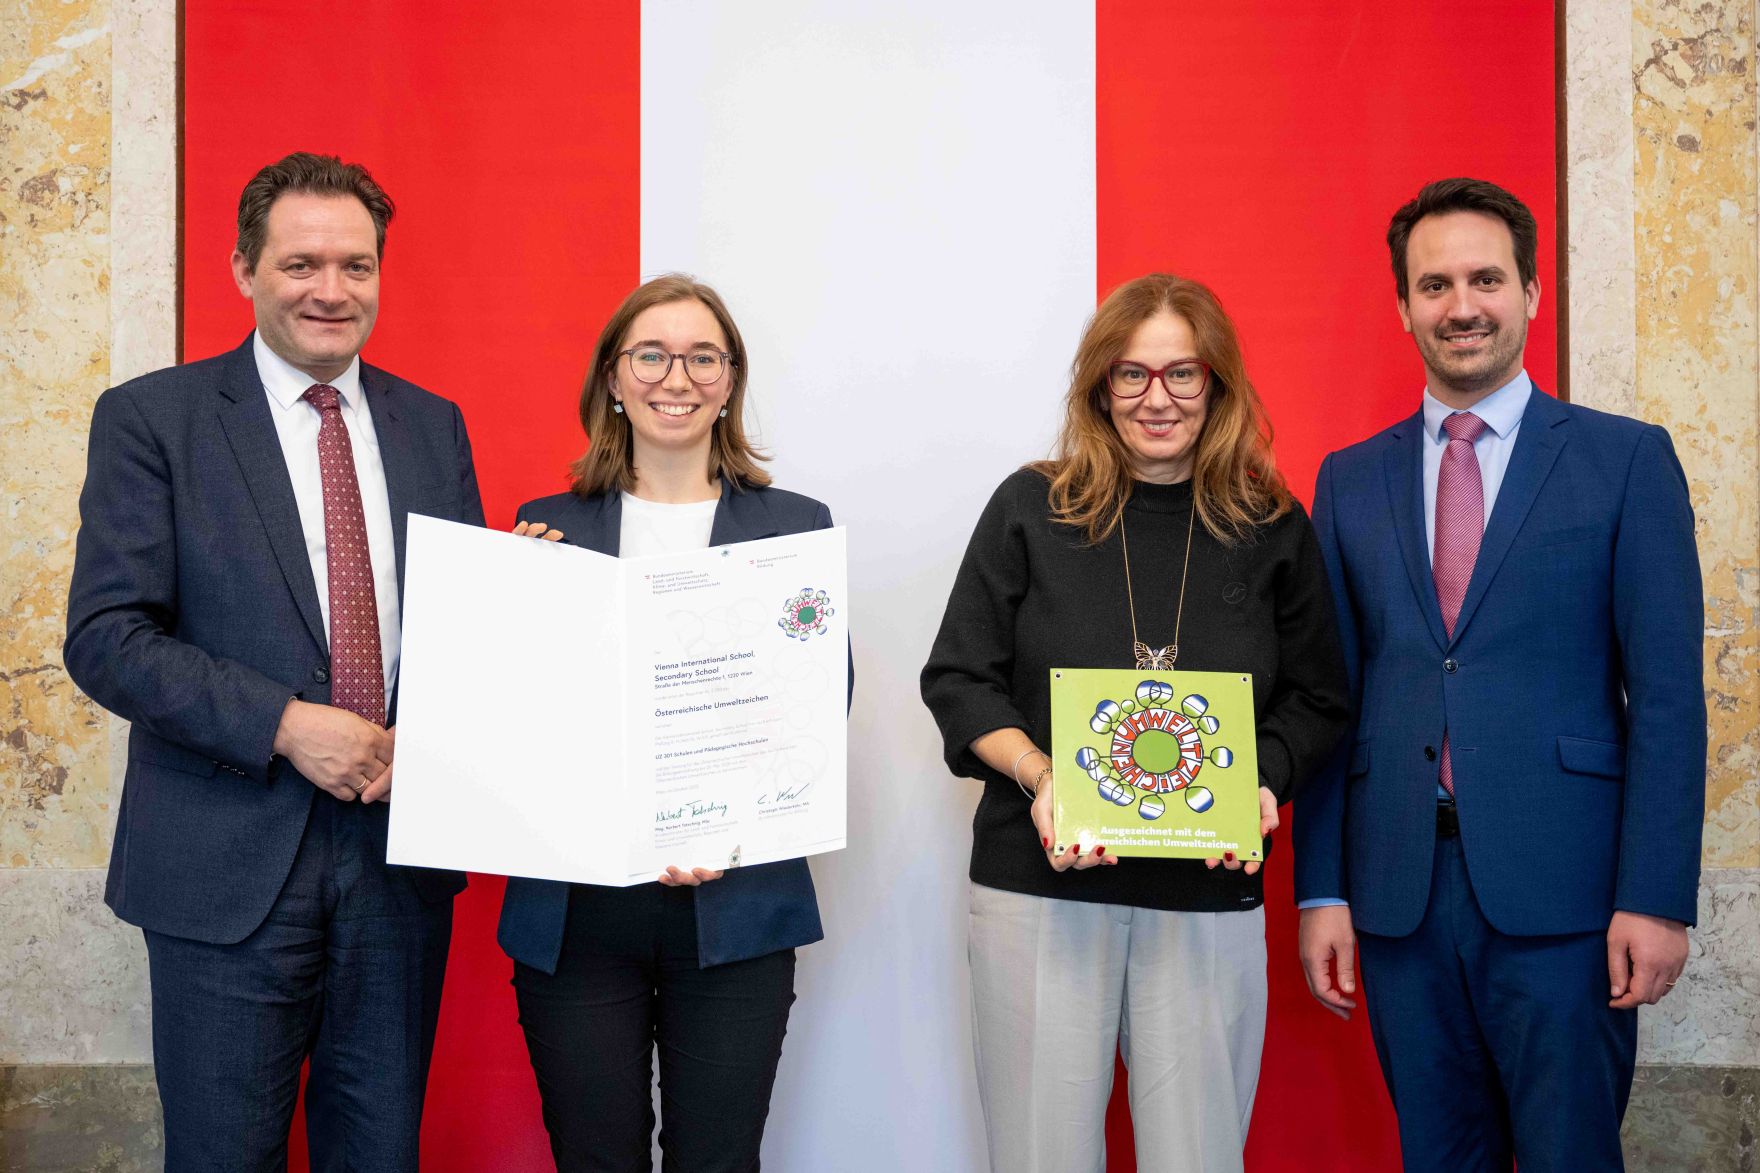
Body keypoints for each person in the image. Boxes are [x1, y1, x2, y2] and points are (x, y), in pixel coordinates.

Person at [63, 152, 484, 1170]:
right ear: (244, 270)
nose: (331, 290)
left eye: (355, 265)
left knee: (378, 1154)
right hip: (224, 865)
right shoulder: (153, 419)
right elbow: (106, 637)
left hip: (396, 865)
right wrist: (287, 725)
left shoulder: (433, 426)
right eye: (301, 264)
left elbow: (460, 635)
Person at [1292, 178, 1704, 1172]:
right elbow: (1331, 699)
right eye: (1433, 285)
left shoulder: (1624, 461)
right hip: (1399, 896)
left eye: (1485, 278)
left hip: (1568, 899)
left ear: (1530, 292)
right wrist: (1320, 892)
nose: (1460, 305)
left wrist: (1655, 897)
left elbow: (1666, 700)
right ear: (1402, 307)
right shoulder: (1349, 479)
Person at [920, 274, 1350, 1173]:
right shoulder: (1029, 508)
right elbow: (959, 678)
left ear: (1217, 384)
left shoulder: (1272, 525)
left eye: (1182, 373)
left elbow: (1318, 699)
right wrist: (1043, 776)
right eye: (1132, 373)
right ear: (1100, 386)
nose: (1158, 398)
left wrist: (1259, 782)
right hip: (1041, 889)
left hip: (1207, 894)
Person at [497, 274, 840, 1172]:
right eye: (650, 355)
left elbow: (816, 702)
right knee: (595, 1158)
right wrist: (511, 608)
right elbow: (514, 721)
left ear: (730, 380)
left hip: (735, 905)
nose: (675, 377)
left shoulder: (795, 528)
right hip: (578, 913)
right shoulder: (546, 531)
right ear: (614, 377)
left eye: (702, 357)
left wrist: (722, 820)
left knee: (717, 1160)